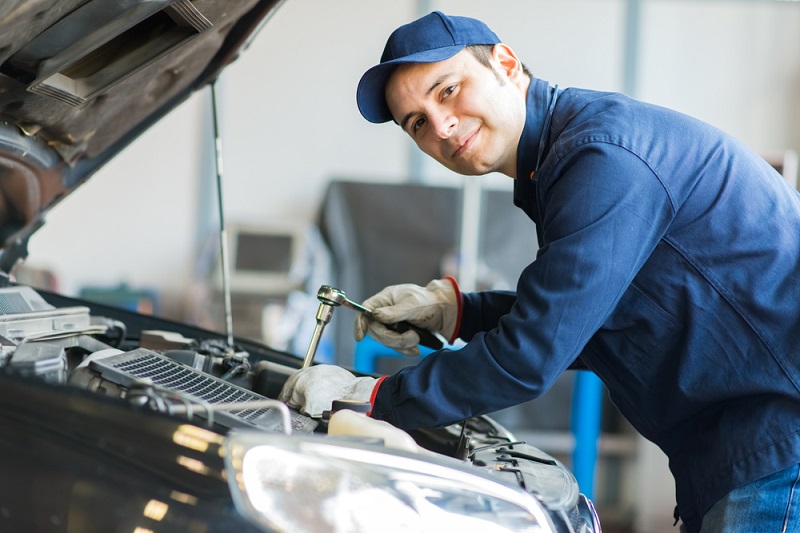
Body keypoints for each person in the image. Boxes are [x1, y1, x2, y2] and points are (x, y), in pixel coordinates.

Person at [279, 11, 800, 533]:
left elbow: (532, 354)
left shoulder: (601, 158)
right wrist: (455, 313)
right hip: (741, 449)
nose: (440, 126)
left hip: (777, 444)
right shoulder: (561, 163)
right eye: (416, 122)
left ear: (506, 63)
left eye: (448, 90)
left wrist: (372, 399)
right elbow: (590, 318)